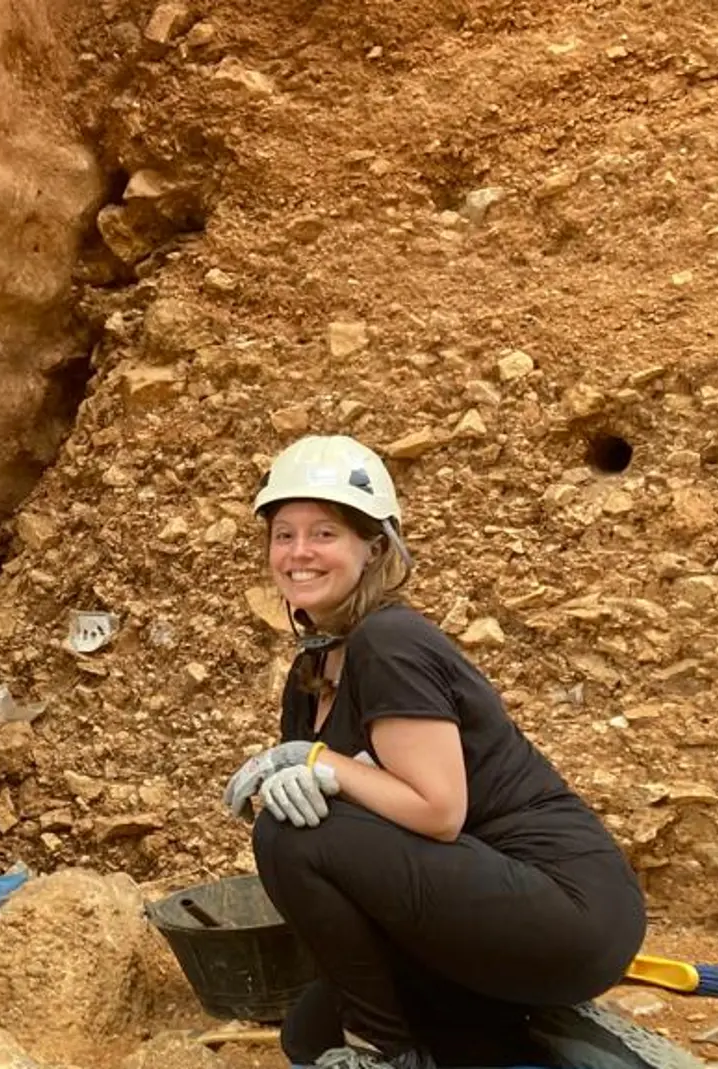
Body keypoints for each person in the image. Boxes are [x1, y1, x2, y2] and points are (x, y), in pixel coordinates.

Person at [223, 436, 647, 1069]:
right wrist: (309, 768)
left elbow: (438, 811)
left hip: (565, 909)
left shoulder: (388, 642)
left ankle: (384, 1056)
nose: (299, 553)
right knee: (310, 1034)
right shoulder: (313, 672)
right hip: (474, 906)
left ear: (374, 547)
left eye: (324, 533)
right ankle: (537, 1042)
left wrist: (315, 764)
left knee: (291, 836)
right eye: (284, 535)